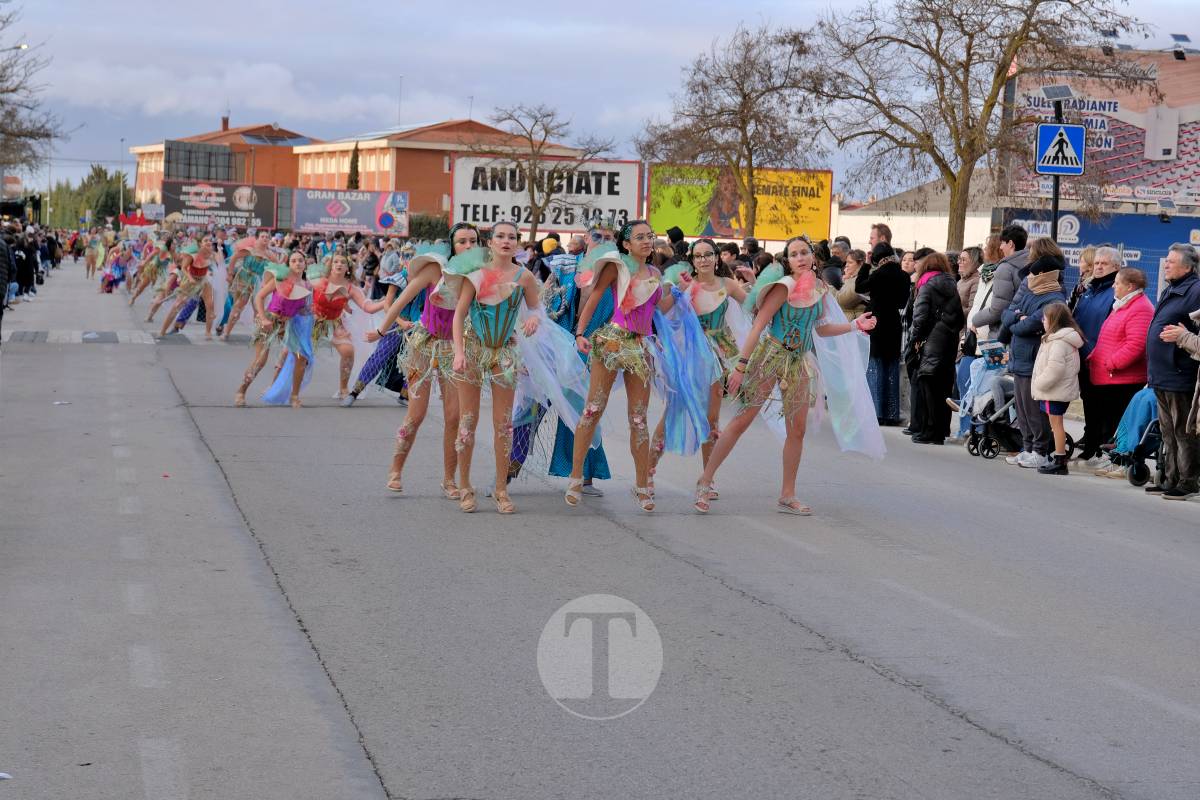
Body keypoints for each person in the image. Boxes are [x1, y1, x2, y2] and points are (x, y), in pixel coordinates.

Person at [693, 235, 879, 514]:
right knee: (742, 420)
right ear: (788, 261)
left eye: (805, 252)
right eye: (794, 254)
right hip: (770, 357)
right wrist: (741, 367)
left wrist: (854, 326)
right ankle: (705, 482)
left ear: (813, 257)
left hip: (800, 362)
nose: (801, 258)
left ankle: (787, 493)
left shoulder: (821, 290)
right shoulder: (784, 287)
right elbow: (758, 326)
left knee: (798, 430)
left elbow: (821, 329)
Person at [449, 220, 563, 514]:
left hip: (506, 352)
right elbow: (459, 314)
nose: (505, 241)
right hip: (473, 349)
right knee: (468, 421)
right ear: (490, 242)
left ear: (517, 242)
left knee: (503, 424)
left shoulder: (524, 277)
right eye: (500, 236)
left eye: (511, 237)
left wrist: (536, 317)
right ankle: (465, 486)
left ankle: (501, 489)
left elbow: (537, 307)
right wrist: (459, 353)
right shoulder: (475, 273)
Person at [565, 221, 675, 512]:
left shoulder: (655, 273)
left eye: (650, 236)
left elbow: (657, 310)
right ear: (626, 244)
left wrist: (677, 292)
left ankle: (641, 486)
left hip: (641, 345)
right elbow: (593, 298)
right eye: (639, 237)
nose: (647, 241)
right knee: (592, 409)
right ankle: (575, 477)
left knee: (638, 419)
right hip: (612, 341)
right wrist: (580, 333)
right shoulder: (616, 267)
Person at [366, 227, 476, 498]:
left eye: (473, 241)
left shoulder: (476, 276)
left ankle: (449, 479)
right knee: (416, 413)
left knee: (454, 416)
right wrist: (381, 331)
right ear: (452, 245)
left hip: (455, 348)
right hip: (423, 345)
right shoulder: (433, 270)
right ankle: (395, 469)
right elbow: (401, 300)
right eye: (462, 241)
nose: (468, 245)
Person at [648, 238, 749, 485]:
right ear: (692, 260)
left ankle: (707, 478)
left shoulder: (728, 284)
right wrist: (672, 288)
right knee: (672, 412)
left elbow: (755, 306)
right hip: (689, 358)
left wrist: (755, 282)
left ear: (717, 257)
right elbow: (660, 310)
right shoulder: (685, 285)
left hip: (718, 358)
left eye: (708, 254)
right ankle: (647, 474)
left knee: (712, 418)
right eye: (698, 255)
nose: (703, 259)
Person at [998, 237, 1067, 469]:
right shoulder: (1030, 289)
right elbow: (1007, 315)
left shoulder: (1053, 295)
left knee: (1033, 408)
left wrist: (1017, 320)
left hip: (1033, 357)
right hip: (1020, 355)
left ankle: (1040, 450)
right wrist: (1017, 317)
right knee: (1022, 408)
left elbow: (1028, 325)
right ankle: (1027, 447)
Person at [1084, 267, 1153, 473]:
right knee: (1107, 421)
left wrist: (1112, 363)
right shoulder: (1122, 305)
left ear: (1130, 286)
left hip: (1122, 379)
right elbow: (1107, 336)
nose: (1113, 286)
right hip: (1108, 377)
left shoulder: (1140, 308)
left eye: (1117, 283)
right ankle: (1108, 458)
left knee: (1117, 422)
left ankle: (1120, 462)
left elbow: (1136, 344)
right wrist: (1095, 355)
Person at [1147, 243, 1200, 499]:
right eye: (1166, 260)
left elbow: (1194, 334)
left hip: (1180, 374)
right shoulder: (1172, 288)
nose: (1165, 264)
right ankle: (1170, 478)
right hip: (1161, 373)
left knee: (1183, 432)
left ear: (1187, 267)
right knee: (1167, 432)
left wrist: (1182, 337)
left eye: (1171, 261)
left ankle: (1189, 481)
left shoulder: (1196, 290)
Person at [311, 253, 387, 400]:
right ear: (331, 266)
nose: (339, 264)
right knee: (296, 353)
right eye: (336, 262)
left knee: (348, 351)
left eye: (342, 262)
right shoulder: (320, 281)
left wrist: (385, 302)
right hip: (312, 321)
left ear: (347, 268)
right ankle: (280, 385)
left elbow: (367, 306)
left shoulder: (351, 288)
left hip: (334, 323)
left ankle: (343, 388)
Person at [1068, 245, 1119, 462]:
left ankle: (1100, 447)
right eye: (1096, 263)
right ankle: (1090, 445)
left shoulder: (1115, 292)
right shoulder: (1088, 290)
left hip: (1101, 359)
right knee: (1089, 403)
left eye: (1104, 264)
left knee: (1104, 407)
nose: (1098, 267)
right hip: (1083, 356)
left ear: (1116, 267)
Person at [908, 252, 965, 444]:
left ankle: (928, 431)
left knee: (927, 386)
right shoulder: (952, 285)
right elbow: (959, 318)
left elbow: (920, 318)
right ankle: (941, 431)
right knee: (943, 389)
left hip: (930, 341)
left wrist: (914, 340)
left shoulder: (927, 285)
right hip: (948, 342)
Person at [857, 241, 908, 424]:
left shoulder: (878, 274)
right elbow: (902, 302)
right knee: (891, 367)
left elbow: (859, 287)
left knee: (875, 366)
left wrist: (865, 265)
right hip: (893, 323)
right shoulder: (903, 276)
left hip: (876, 322)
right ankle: (891, 412)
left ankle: (876, 411)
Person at [1031, 303, 1085, 475]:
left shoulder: (1059, 342)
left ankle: (1060, 460)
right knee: (1056, 424)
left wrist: (1039, 383)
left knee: (1057, 425)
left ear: (1053, 321)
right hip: (1057, 390)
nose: (1042, 321)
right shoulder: (1060, 339)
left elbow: (1055, 370)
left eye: (1045, 318)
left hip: (1054, 391)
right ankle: (1058, 457)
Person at [971, 224, 1029, 335]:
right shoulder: (1031, 264)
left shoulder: (1005, 268)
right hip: (1021, 329)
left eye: (1002, 243)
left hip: (1001, 332)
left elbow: (998, 310)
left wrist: (975, 320)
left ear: (1010, 244)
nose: (1001, 247)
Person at [836, 248, 868, 321]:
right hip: (849, 320)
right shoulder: (852, 278)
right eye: (846, 262)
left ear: (860, 263)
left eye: (850, 262)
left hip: (855, 321)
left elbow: (843, 301)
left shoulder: (862, 280)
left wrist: (846, 280)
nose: (846, 265)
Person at [956, 247, 982, 318]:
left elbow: (972, 311)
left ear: (974, 263)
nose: (958, 262)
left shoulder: (977, 281)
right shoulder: (961, 280)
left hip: (965, 327)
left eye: (963, 260)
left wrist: (951, 311)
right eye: (959, 259)